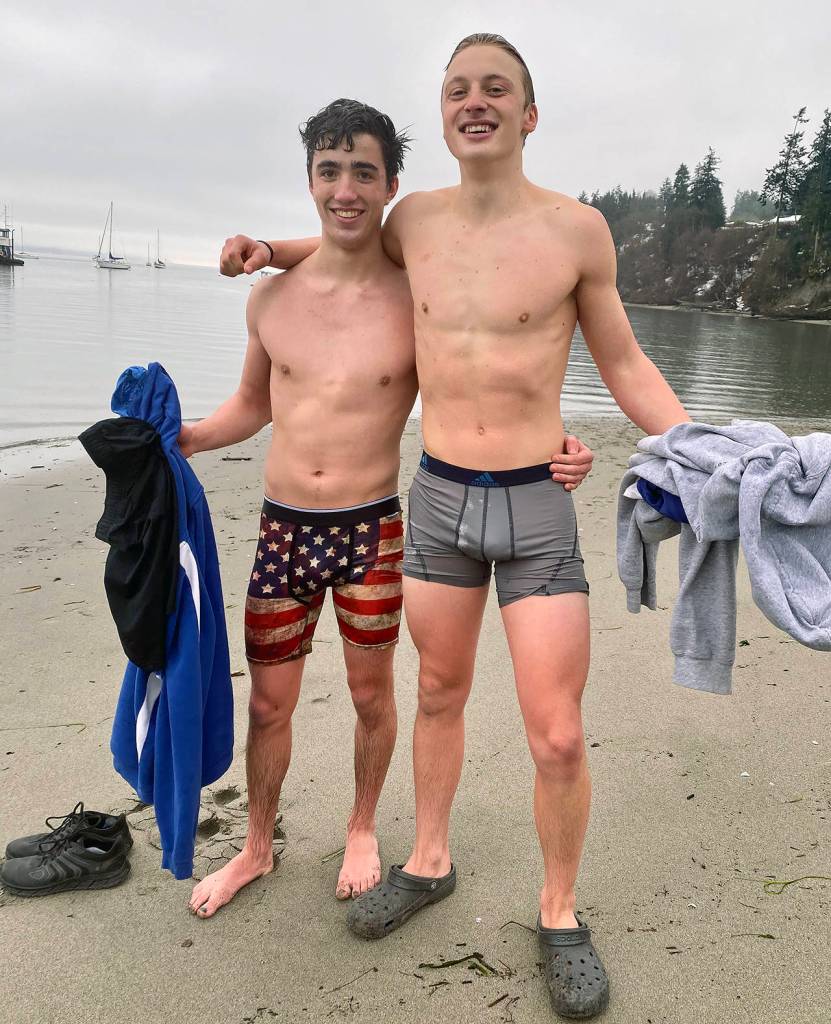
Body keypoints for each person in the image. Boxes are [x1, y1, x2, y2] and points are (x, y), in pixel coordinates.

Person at [220, 34, 691, 1020]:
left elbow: (628, 365)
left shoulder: (577, 232)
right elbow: (341, 247)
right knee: (436, 690)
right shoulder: (414, 220)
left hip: (534, 504)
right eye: (458, 90)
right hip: (435, 499)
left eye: (497, 89)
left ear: (528, 115)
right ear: (443, 117)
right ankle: (426, 860)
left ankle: (560, 913)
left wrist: (700, 449)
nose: (475, 101)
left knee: (557, 733)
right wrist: (270, 248)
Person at [183, 97, 594, 921]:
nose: (345, 189)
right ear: (308, 181)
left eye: (362, 173)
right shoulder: (267, 301)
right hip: (282, 530)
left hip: (372, 529)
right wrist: (182, 440)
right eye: (329, 172)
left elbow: (485, 363)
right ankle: (257, 846)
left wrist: (560, 441)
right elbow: (252, 407)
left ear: (389, 184)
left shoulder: (414, 298)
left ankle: (365, 828)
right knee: (269, 702)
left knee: (375, 697)